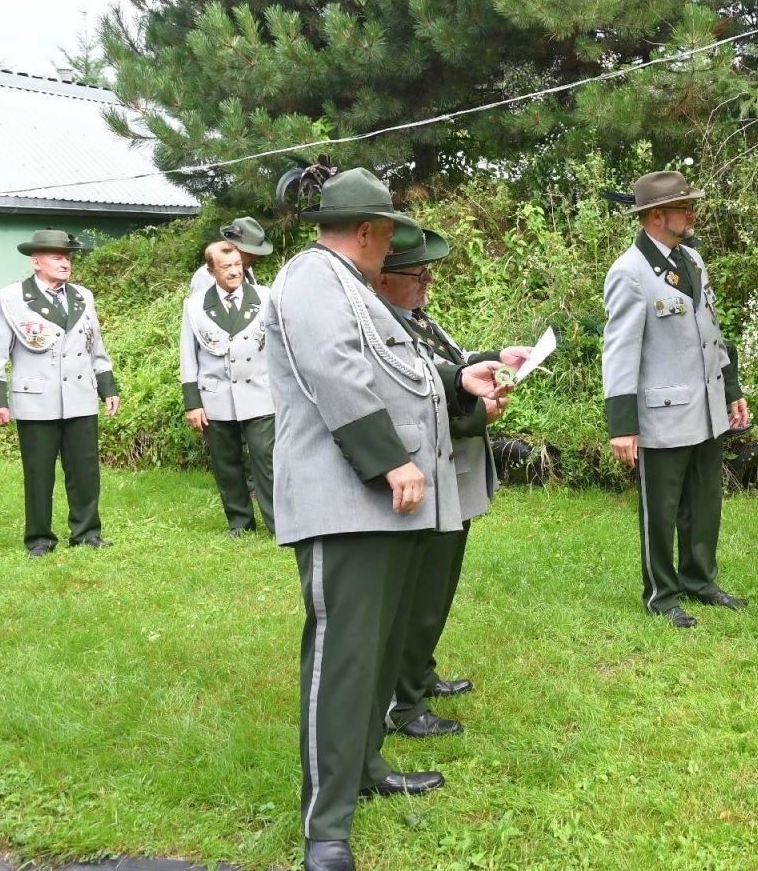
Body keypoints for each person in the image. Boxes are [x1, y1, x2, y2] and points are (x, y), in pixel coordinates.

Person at [265, 169, 512, 871]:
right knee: (342, 661)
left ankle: (365, 768)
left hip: (383, 508)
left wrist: (462, 378)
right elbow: (337, 373)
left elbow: (396, 371)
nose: (392, 251)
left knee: (372, 656)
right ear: (369, 231)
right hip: (348, 502)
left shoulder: (350, 288)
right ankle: (325, 831)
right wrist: (390, 462)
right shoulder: (314, 277)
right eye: (388, 234)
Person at [373, 229, 532, 739]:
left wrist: (495, 357)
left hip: (452, 474)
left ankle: (418, 673)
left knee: (438, 589)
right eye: (417, 275)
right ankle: (404, 701)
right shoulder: (383, 328)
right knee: (421, 593)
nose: (427, 282)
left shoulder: (415, 319)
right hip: (431, 473)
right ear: (382, 278)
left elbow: (447, 371)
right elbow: (413, 405)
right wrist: (475, 414)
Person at [602, 170, 749, 629]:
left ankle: (699, 579)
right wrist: (621, 424)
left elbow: (713, 332)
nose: (692, 213)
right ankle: (661, 594)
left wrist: (731, 389)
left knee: (705, 501)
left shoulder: (692, 261)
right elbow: (619, 351)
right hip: (662, 413)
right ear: (655, 216)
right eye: (684, 207)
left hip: (705, 407)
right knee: (661, 511)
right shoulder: (629, 272)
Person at [0, 229, 121, 557]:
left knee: (86, 471)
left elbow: (95, 347)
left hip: (80, 398)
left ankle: (86, 532)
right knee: (39, 474)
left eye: (68, 257)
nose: (65, 262)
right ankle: (39, 539)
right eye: (57, 257)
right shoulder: (10, 298)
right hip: (35, 400)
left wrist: (107, 388)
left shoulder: (83, 296)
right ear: (36, 261)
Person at [180, 240, 276, 536]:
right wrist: (192, 402)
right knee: (226, 464)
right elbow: (188, 354)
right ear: (211, 271)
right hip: (216, 396)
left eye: (238, 265)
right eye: (226, 267)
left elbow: (280, 347)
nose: (235, 272)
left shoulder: (265, 296)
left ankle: (280, 523)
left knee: (266, 459)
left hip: (260, 393)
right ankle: (239, 523)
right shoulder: (195, 305)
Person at [190, 215, 273, 295]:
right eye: (251, 254)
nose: (256, 259)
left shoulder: (246, 269)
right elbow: (201, 307)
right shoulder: (205, 276)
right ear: (235, 248)